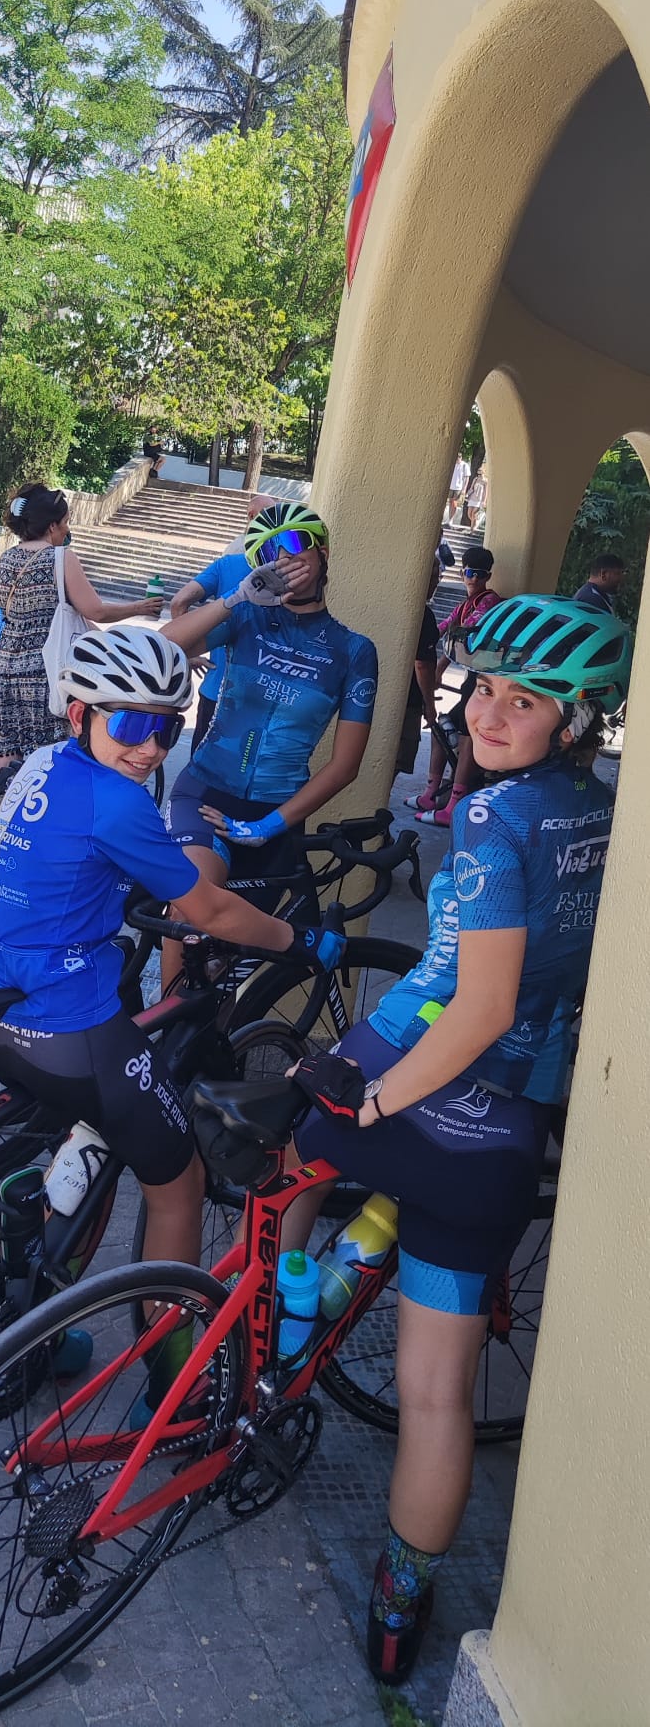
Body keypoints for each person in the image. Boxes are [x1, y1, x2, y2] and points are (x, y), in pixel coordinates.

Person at [278, 594, 631, 1685]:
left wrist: (372, 1106)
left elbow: (472, 1005)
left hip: (410, 1065)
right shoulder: (606, 809)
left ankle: (287, 1340)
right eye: (483, 688)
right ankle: (400, 1607)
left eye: (524, 701)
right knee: (437, 1389)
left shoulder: (490, 819)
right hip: (511, 1124)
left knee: (291, 1159)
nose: (490, 712)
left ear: (575, 719)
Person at [0, 625, 345, 1283]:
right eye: (133, 725)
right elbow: (213, 910)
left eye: (167, 730)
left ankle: (30, 1316)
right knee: (181, 1185)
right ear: (81, 712)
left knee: (98, 1136)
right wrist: (300, 940)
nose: (149, 749)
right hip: (70, 1028)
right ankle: (177, 1374)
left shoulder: (43, 765)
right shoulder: (117, 801)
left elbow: (77, 864)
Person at [161, 503, 378, 985]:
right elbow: (161, 649)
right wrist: (236, 597)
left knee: (226, 966)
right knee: (191, 905)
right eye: (269, 553)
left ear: (322, 553)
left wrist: (265, 826)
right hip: (206, 794)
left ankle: (209, 1053)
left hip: (277, 815)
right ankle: (163, 1032)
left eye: (297, 543)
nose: (284, 557)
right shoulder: (247, 620)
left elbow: (345, 765)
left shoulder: (355, 652)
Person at [0, 483, 165, 772]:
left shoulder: (5, 560)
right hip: (46, 676)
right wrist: (137, 608)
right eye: (66, 522)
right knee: (46, 757)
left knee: (1, 754)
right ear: (52, 525)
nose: (66, 529)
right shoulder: (61, 558)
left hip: (5, 670)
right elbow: (94, 610)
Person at [168, 492, 277, 755]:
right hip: (261, 696)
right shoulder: (287, 575)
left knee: (199, 773)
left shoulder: (229, 562)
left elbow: (179, 602)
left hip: (216, 687)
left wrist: (187, 652)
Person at [407, 546, 499, 826]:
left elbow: (462, 637)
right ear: (462, 573)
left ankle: (455, 802)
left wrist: (438, 667)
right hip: (472, 679)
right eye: (469, 573)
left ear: (488, 576)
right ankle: (431, 792)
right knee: (441, 727)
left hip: (481, 680)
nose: (472, 578)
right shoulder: (465, 604)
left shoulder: (488, 603)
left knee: (465, 735)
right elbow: (443, 628)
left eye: (479, 574)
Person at [395, 555, 440, 777]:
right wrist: (430, 705)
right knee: (394, 761)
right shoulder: (423, 616)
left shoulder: (394, 607)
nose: (436, 582)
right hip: (407, 701)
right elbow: (422, 664)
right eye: (433, 576)